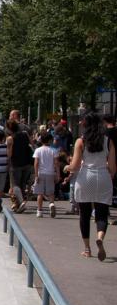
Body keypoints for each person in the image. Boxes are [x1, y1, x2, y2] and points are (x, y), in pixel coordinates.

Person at [65, 111, 116, 260]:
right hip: (103, 178)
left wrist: (66, 167)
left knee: (84, 215)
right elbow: (113, 168)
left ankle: (87, 249)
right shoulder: (108, 141)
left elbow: (74, 167)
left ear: (85, 124)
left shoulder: (81, 141)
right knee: (101, 213)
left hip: (85, 177)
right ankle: (100, 236)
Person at [7, 119, 32, 213]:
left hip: (16, 163)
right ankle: (18, 205)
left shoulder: (10, 138)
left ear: (9, 128)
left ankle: (21, 202)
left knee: (15, 185)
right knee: (22, 184)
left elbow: (9, 154)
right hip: (27, 162)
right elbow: (31, 145)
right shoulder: (25, 134)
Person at [32, 131, 59, 218]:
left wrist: (36, 175)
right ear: (50, 140)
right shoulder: (54, 150)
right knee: (51, 192)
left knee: (40, 193)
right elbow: (56, 163)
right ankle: (51, 204)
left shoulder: (38, 150)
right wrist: (58, 174)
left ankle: (39, 211)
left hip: (40, 173)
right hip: (51, 173)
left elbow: (36, 163)